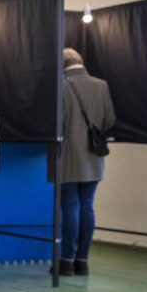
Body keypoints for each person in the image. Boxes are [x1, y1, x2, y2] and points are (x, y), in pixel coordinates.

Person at [58, 48, 115, 276]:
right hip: (93, 156)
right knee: (87, 206)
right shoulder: (101, 85)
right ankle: (83, 261)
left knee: (70, 206)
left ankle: (66, 262)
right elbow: (109, 118)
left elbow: (57, 120)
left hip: (68, 156)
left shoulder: (61, 85)